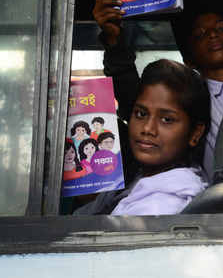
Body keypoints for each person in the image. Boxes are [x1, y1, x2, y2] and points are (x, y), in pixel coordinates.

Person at [92, 0, 223, 184]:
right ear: (189, 61)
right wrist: (113, 41)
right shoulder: (186, 98)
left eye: (222, 28)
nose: (212, 35)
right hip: (219, 208)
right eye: (199, 35)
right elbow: (133, 97)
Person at [73, 59, 210, 215]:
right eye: (141, 114)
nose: (147, 128)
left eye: (166, 119)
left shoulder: (168, 201)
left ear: (195, 133)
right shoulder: (135, 180)